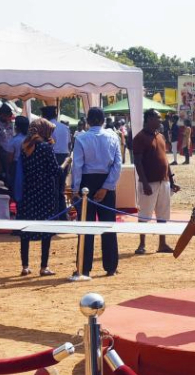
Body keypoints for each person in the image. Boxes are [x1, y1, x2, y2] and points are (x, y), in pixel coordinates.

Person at [71, 107, 122, 276]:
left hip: (87, 182)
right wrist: (107, 187)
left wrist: (76, 189)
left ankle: (84, 268)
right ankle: (111, 267)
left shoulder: (81, 138)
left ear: (87, 120)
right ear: (103, 120)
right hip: (107, 182)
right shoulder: (113, 136)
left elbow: (77, 166)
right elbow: (117, 165)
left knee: (86, 226)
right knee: (108, 225)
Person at [18, 118, 62, 276]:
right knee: (46, 230)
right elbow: (55, 170)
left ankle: (25, 266)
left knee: (26, 229)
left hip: (28, 192)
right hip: (45, 193)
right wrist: (65, 166)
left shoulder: (25, 146)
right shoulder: (45, 147)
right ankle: (43, 267)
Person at [133, 109, 179, 255]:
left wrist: (171, 180)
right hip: (149, 183)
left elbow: (165, 160)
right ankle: (142, 244)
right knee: (145, 215)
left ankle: (162, 243)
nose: (160, 121)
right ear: (149, 119)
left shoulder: (160, 136)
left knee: (163, 214)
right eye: (158, 118)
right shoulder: (140, 137)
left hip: (164, 181)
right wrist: (145, 183)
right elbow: (138, 162)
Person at [42, 106, 71, 216]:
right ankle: (62, 215)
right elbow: (69, 144)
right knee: (60, 188)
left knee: (50, 188)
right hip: (64, 156)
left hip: (53, 157)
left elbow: (47, 144)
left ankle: (53, 214)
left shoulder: (47, 127)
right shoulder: (65, 127)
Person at [5, 116, 30, 202]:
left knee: (15, 188)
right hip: (29, 165)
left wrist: (7, 170)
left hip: (16, 166)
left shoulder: (14, 140)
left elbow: (9, 159)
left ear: (16, 127)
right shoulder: (30, 139)